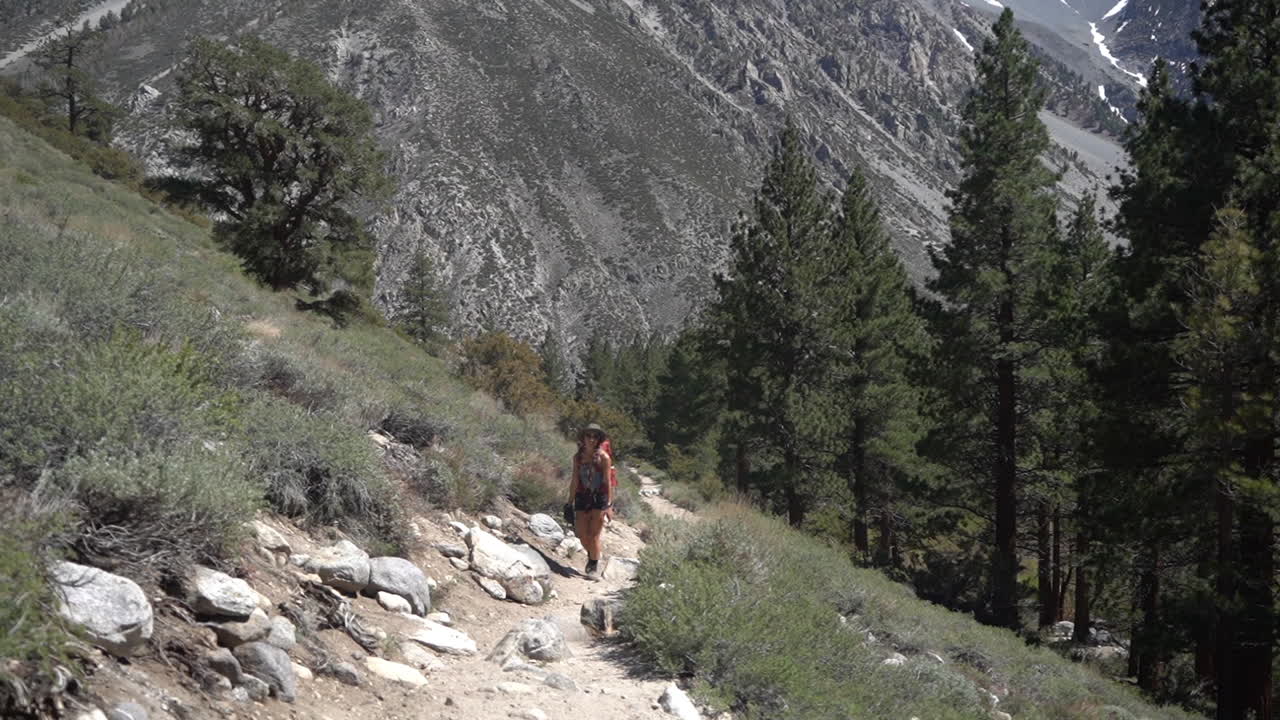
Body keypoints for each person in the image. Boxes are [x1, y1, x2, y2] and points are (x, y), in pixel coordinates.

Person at [570, 423, 613, 578]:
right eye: (589, 435)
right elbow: (574, 479)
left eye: (595, 436)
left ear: (599, 439)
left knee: (594, 535)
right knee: (581, 534)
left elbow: (608, 482)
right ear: (583, 437)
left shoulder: (604, 458)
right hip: (582, 496)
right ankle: (593, 555)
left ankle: (593, 565)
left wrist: (608, 505)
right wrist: (569, 502)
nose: (591, 439)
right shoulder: (578, 457)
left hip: (599, 498)